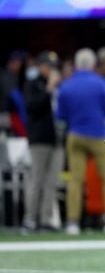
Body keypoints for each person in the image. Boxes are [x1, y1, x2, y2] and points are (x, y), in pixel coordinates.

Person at [56, 48, 105, 235]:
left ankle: (72, 223)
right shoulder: (100, 84)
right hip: (98, 136)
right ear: (92, 64)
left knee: (75, 180)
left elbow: (60, 115)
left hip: (75, 136)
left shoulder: (66, 85)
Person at [21, 51, 63, 234]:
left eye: (54, 67)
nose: (52, 70)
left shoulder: (59, 87)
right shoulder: (32, 84)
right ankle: (30, 220)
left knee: (52, 182)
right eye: (49, 66)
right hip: (39, 139)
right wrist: (48, 89)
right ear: (41, 66)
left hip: (56, 139)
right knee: (36, 180)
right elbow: (32, 107)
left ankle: (46, 219)